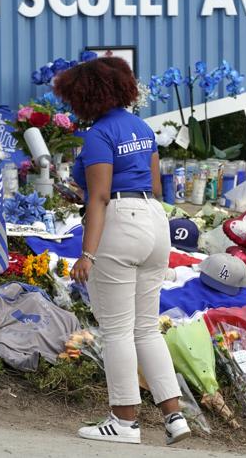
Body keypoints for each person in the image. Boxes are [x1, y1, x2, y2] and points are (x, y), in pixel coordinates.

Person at [53, 57, 191, 446]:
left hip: (120, 220)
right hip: (154, 219)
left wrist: (88, 254)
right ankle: (174, 417)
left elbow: (98, 197)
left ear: (85, 96)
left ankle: (125, 422)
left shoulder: (99, 135)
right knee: (146, 328)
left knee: (116, 331)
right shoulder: (142, 128)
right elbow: (154, 185)